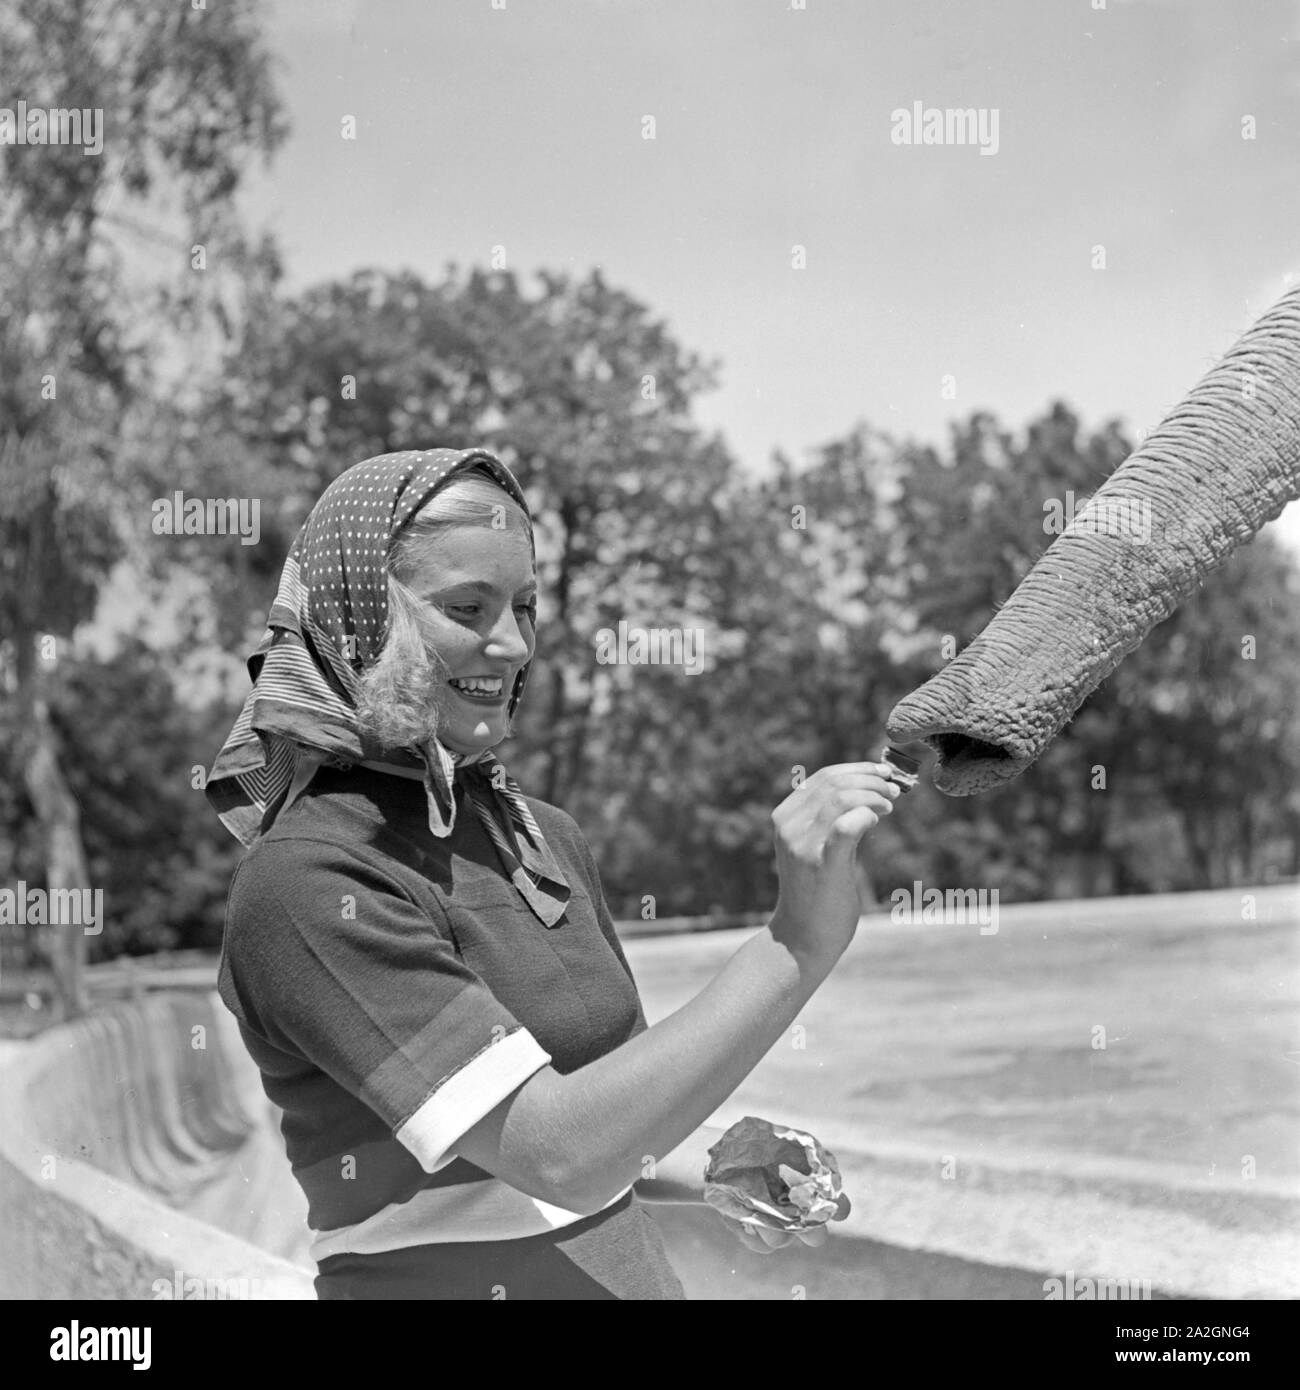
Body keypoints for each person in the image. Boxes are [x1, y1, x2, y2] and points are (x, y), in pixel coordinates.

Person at [207, 446, 902, 1300]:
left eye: (525, 605)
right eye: (467, 606)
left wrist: (721, 1163)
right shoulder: (309, 880)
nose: (509, 643)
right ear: (357, 616)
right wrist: (796, 942)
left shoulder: (538, 836)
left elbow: (599, 1131)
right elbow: (556, 1153)